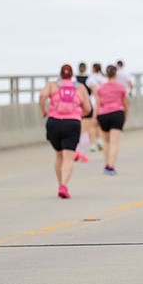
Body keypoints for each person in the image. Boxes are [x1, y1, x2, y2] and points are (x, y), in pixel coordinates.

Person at [38, 64, 91, 199]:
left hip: (54, 123)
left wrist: (44, 110)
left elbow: (42, 96)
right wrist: (78, 114)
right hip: (72, 123)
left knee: (59, 155)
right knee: (68, 157)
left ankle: (59, 184)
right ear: (72, 74)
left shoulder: (52, 85)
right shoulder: (80, 87)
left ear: (60, 74)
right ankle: (64, 185)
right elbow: (88, 108)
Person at [95, 64, 128, 174]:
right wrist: (125, 115)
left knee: (106, 141)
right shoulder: (121, 87)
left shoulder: (101, 88)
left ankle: (106, 164)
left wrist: (95, 117)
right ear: (115, 74)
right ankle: (111, 166)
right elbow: (125, 103)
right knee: (114, 142)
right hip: (117, 113)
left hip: (103, 114)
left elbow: (98, 104)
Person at [73, 62, 92, 162]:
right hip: (86, 105)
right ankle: (82, 153)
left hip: (74, 106)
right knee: (85, 130)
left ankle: (76, 151)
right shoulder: (89, 79)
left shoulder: (75, 80)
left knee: (76, 131)